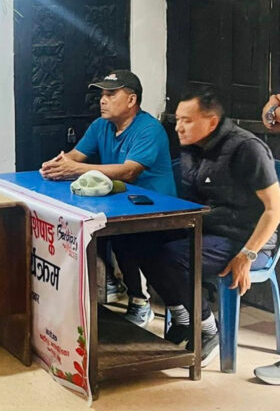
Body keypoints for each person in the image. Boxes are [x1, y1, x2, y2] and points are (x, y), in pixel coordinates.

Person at [139, 88, 280, 365]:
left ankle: (208, 329)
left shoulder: (246, 148)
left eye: (187, 120)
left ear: (212, 122)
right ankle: (183, 318)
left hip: (248, 239)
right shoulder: (193, 148)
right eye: (178, 119)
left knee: (173, 256)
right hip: (209, 229)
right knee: (140, 240)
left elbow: (274, 211)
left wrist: (247, 254)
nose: (178, 127)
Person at [40, 70, 176, 327]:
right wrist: (57, 164)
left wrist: (76, 169)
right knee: (78, 225)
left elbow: (129, 171)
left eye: (111, 94)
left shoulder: (149, 129)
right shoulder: (100, 126)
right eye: (102, 95)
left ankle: (139, 301)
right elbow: (75, 156)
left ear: (131, 100)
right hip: (118, 204)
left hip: (156, 211)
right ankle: (108, 283)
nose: (103, 100)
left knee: (126, 238)